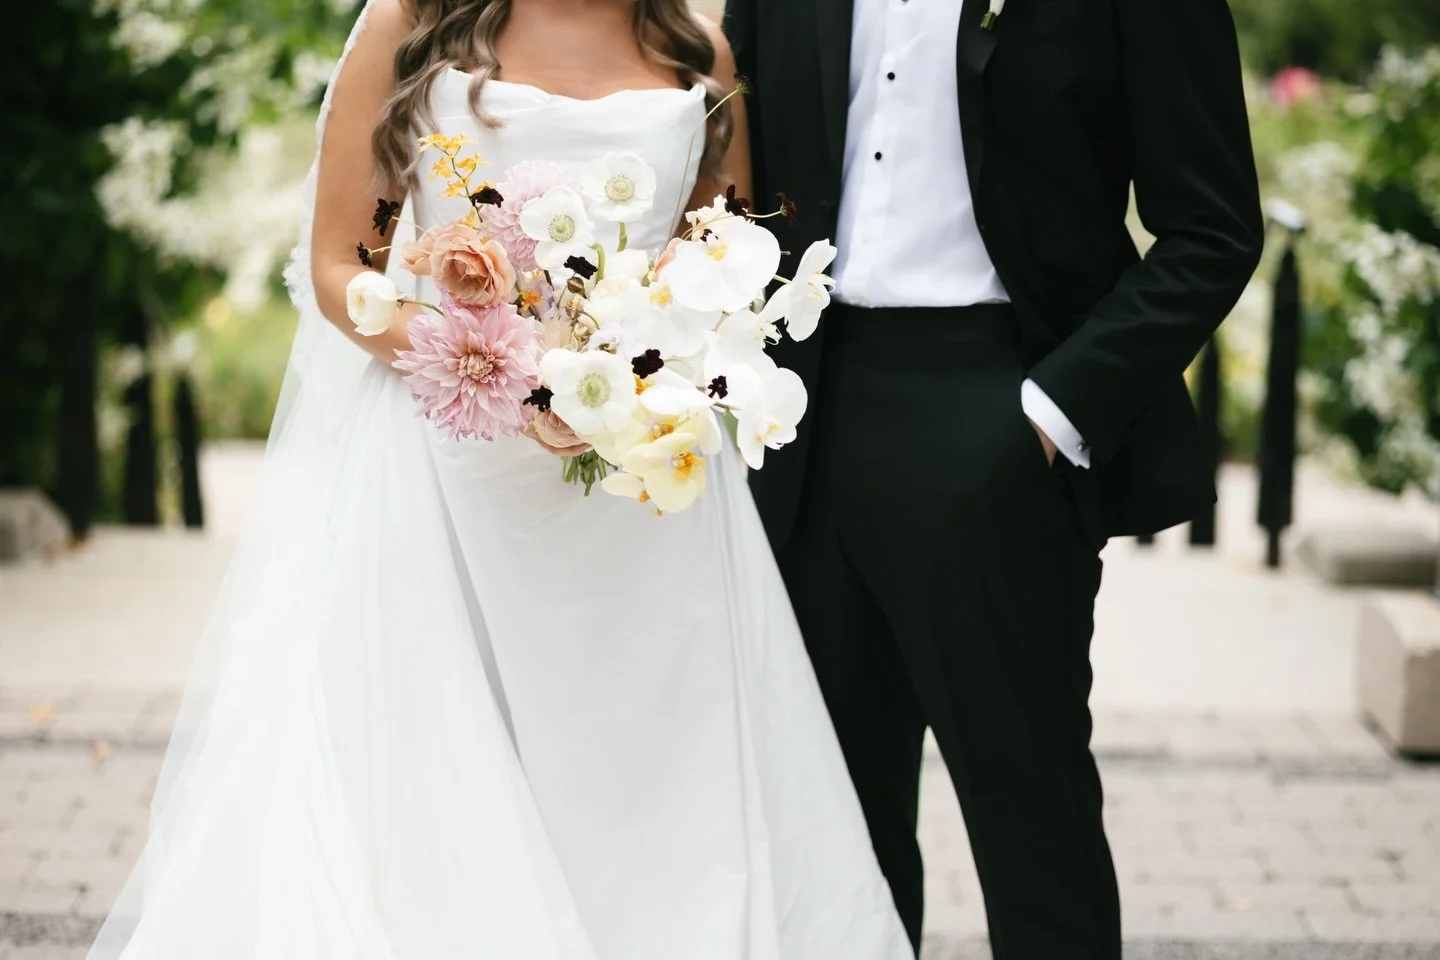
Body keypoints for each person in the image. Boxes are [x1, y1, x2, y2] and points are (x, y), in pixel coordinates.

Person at [83, 2, 913, 958]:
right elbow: (343, 264)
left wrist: (638, 373)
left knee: (658, 779)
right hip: (448, 472)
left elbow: (718, 258)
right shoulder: (414, 26)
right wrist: (504, 371)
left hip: (643, 495)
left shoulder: (693, 46)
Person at [726, 0, 1263, 956]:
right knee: (833, 835)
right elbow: (731, 161)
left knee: (1030, 823)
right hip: (802, 416)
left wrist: (1050, 418)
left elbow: (1213, 228)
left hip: (999, 411)